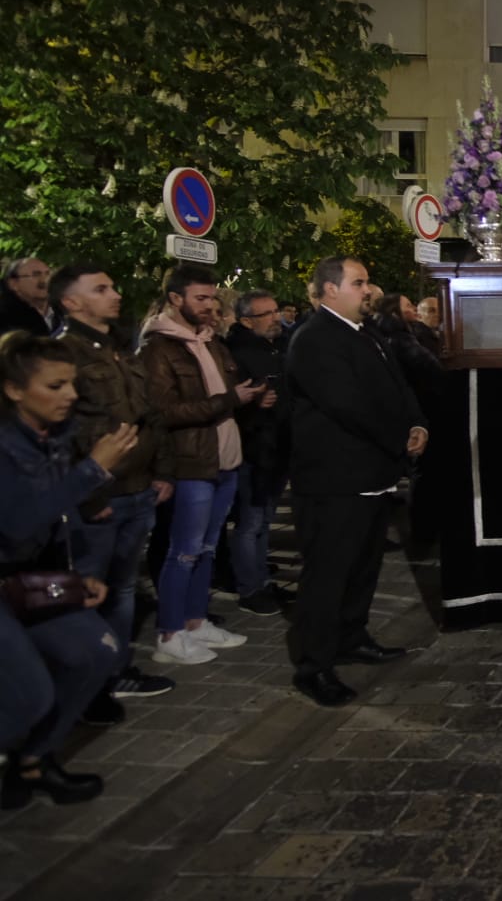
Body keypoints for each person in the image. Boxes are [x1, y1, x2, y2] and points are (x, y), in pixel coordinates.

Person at [1, 333, 136, 809]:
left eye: (71, 384)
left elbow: (51, 521)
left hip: (26, 578)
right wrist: (93, 471)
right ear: (14, 389)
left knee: (95, 653)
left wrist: (74, 578)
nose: (71, 396)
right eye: (56, 386)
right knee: (29, 695)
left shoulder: (52, 435)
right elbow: (17, 524)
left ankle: (34, 761)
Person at [284, 257, 427, 707]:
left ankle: (352, 636)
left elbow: (397, 387)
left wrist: (418, 423)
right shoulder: (315, 339)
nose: (367, 290)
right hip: (335, 479)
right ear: (329, 290)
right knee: (328, 574)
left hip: (372, 474)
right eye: (358, 283)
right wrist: (397, 440)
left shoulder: (366, 333)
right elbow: (347, 405)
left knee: (363, 566)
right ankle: (315, 665)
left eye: (366, 282)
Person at [51, 264, 176, 720]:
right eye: (100, 289)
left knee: (123, 589)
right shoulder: (62, 354)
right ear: (71, 301)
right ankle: (85, 685)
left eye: (113, 284)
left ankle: (116, 669)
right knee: (89, 591)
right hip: (100, 498)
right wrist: (89, 498)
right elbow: (61, 435)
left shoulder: (121, 348)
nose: (115, 294)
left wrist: (161, 471)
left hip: (139, 490)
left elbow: (150, 416)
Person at [141, 265, 263, 665]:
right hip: (192, 463)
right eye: (201, 298)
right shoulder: (159, 348)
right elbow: (164, 411)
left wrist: (248, 396)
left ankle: (195, 621)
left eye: (212, 298)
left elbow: (225, 391)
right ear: (175, 299)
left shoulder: (212, 341)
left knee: (208, 549)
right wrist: (230, 401)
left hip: (225, 460)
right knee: (184, 551)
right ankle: (169, 633)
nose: (211, 306)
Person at [224, 289, 293, 616]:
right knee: (250, 522)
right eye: (267, 314)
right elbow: (228, 402)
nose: (275, 318)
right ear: (246, 321)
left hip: (277, 446)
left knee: (265, 519)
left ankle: (262, 580)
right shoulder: (236, 352)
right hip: (253, 449)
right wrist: (253, 404)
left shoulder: (276, 346)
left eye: (276, 310)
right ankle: (249, 588)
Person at [1, 258, 53, 337]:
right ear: (13, 284)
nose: (45, 280)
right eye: (36, 274)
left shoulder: (63, 310)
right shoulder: (4, 317)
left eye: (48, 273)